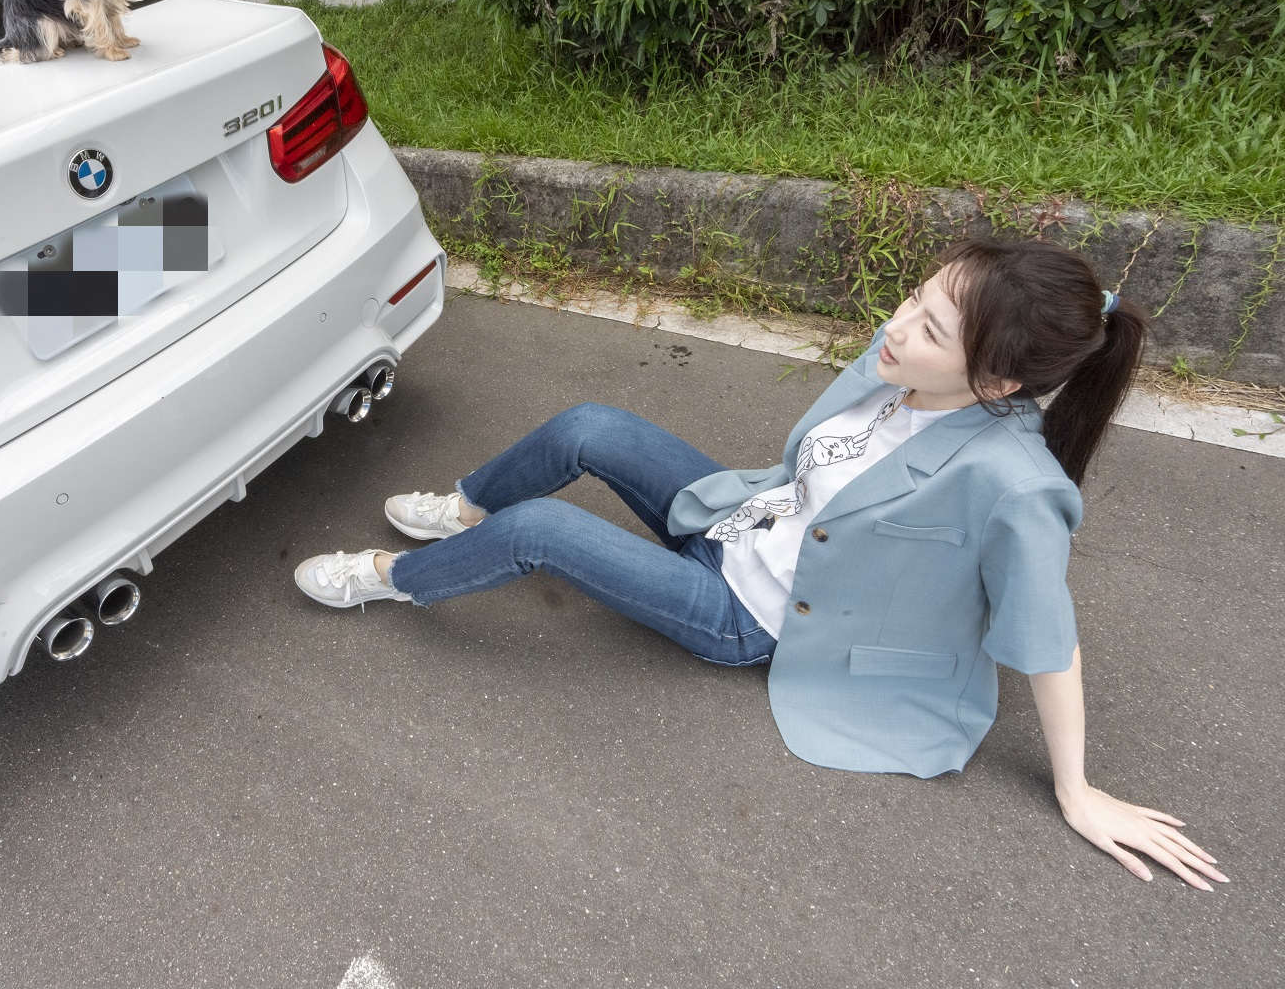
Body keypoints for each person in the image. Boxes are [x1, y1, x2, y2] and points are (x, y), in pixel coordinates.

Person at [294, 238, 1227, 890]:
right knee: (589, 427)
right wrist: (917, 333)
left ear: (997, 383)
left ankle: (391, 576)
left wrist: (1076, 788)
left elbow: (1047, 640)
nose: (899, 326)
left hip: (749, 613)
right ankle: (463, 506)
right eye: (916, 297)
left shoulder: (1013, 483)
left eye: (932, 328)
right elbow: (822, 455)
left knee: (547, 530)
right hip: (735, 520)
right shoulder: (903, 362)